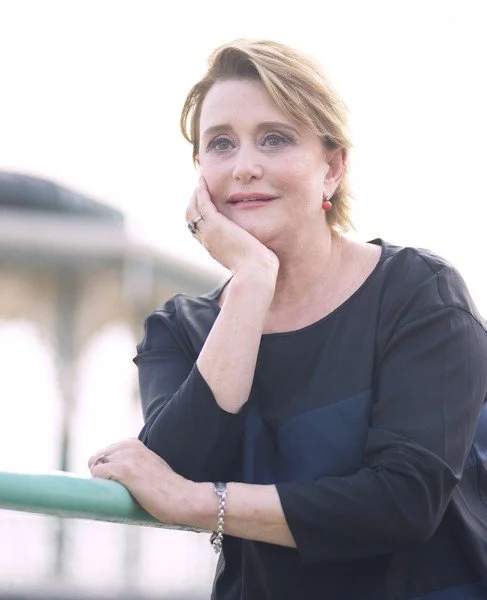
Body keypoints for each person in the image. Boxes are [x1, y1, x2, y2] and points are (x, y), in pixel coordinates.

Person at [88, 39, 487, 599]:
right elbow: (176, 469)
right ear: (200, 172)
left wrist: (201, 503)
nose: (245, 166)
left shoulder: (420, 294)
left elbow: (404, 502)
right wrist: (253, 280)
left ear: (333, 167)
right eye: (220, 143)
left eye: (275, 138)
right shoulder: (177, 329)